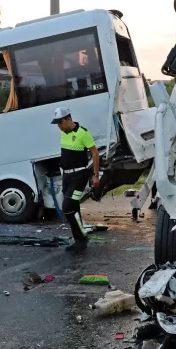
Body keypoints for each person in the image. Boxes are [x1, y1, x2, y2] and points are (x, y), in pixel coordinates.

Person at [51, 108, 100, 254]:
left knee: (67, 207)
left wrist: (95, 175)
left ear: (68, 119)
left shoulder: (82, 133)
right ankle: (79, 239)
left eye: (60, 123)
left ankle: (81, 239)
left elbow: (95, 153)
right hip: (67, 176)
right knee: (73, 208)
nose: (58, 126)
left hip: (79, 176)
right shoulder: (64, 134)